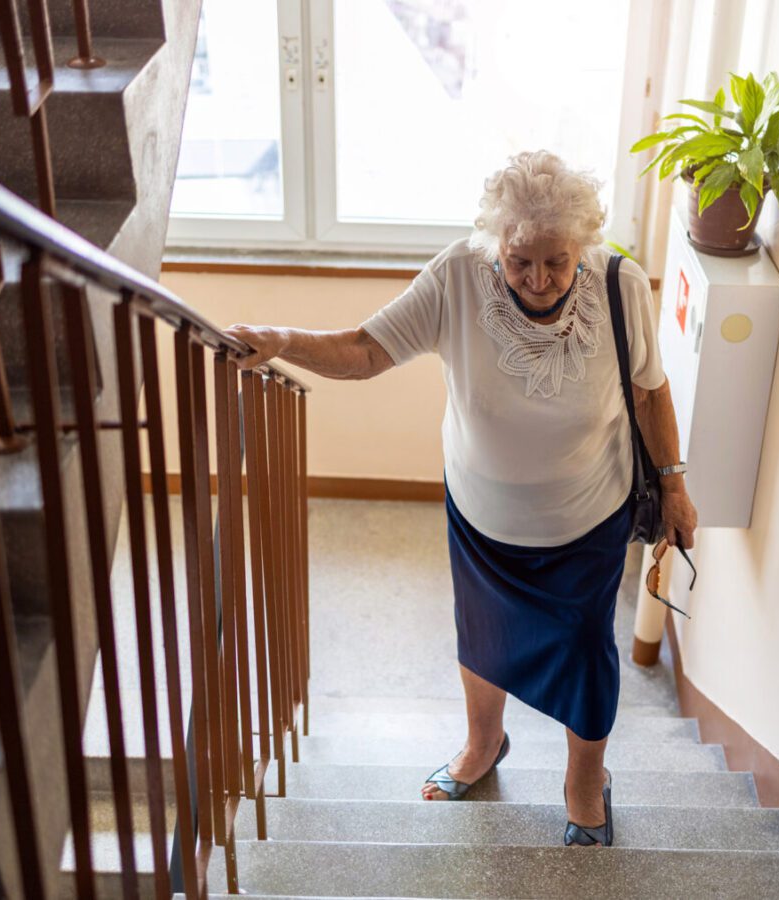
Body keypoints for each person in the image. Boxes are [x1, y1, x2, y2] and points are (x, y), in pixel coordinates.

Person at [225, 150, 697, 847]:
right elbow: (365, 350)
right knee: (483, 637)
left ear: (583, 247)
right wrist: (280, 340)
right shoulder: (457, 275)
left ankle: (585, 781)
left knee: (585, 649)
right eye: (519, 260)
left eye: (556, 261)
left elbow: (652, 390)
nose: (538, 280)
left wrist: (677, 486)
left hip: (586, 518)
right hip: (484, 518)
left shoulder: (621, 287)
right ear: (495, 244)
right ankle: (483, 746)